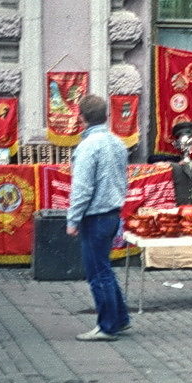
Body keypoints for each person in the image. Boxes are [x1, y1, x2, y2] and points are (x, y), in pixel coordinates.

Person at [66, 95, 130, 342]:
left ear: (81, 118)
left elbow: (82, 188)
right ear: (106, 115)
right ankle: (120, 318)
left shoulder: (88, 147)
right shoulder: (117, 143)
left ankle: (106, 326)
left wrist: (72, 220)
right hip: (112, 212)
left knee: (97, 272)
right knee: (104, 267)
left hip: (95, 215)